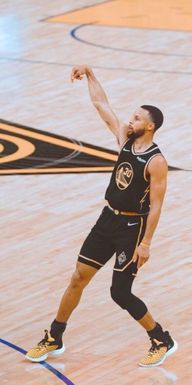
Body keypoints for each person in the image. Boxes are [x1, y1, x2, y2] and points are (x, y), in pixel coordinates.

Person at [26, 64, 178, 367]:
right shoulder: (125, 140)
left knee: (119, 292)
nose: (130, 120)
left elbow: (158, 205)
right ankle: (55, 336)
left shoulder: (157, 161)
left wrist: (146, 242)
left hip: (132, 227)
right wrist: (91, 75)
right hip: (108, 219)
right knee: (78, 277)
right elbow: (101, 105)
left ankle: (161, 338)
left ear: (149, 126)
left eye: (136, 118)